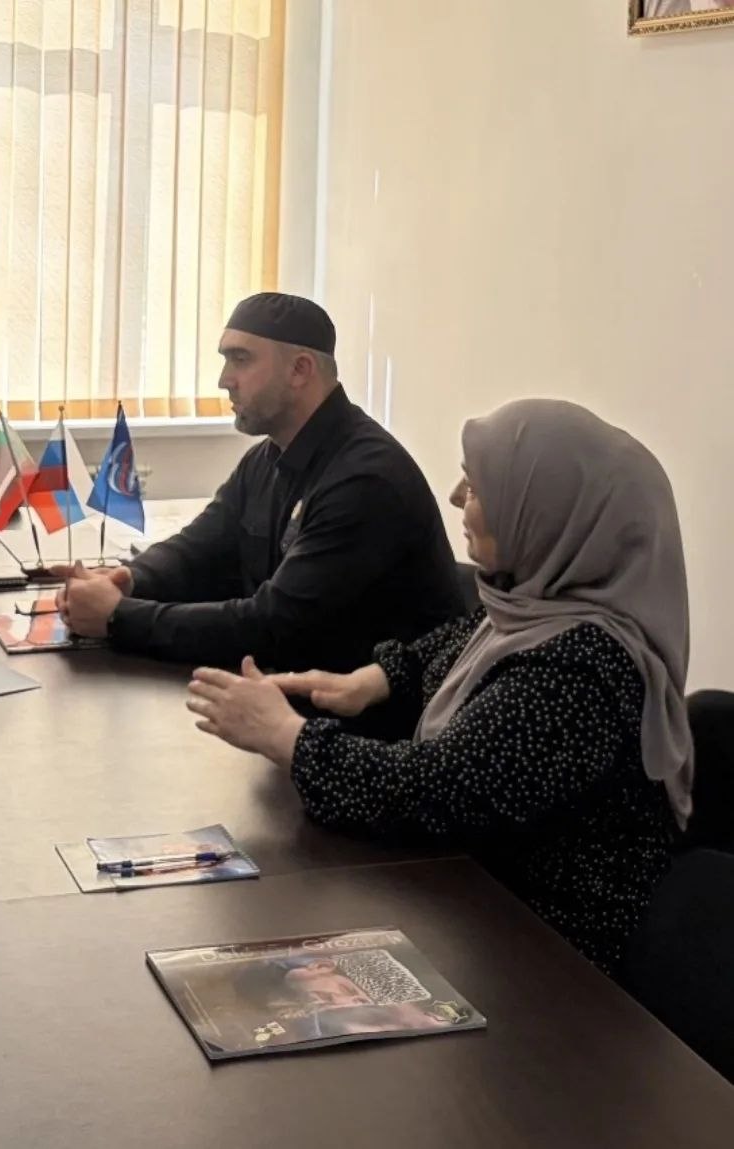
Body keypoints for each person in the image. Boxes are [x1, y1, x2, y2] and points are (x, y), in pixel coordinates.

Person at [187, 398, 689, 975]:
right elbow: (449, 646)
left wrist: (287, 738)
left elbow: (435, 792)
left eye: (475, 488)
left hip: (542, 967)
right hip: (469, 911)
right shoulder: (530, 606)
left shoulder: (578, 671)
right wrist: (372, 681)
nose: (454, 497)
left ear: (544, 513)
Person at [56, 293, 464, 673]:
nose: (224, 380)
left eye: (241, 359)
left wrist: (117, 616)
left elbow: (273, 628)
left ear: (300, 370)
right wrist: (127, 580)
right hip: (288, 692)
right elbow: (198, 550)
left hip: (374, 717)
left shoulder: (365, 479)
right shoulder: (266, 458)